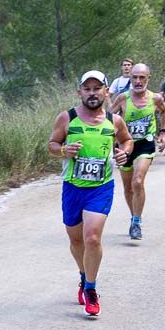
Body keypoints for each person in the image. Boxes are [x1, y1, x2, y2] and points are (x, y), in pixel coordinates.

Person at [48, 70, 132, 316]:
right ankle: (84, 276)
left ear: (106, 91)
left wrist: (124, 152)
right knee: (76, 240)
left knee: (92, 238)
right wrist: (63, 150)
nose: (92, 93)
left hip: (100, 187)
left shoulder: (114, 121)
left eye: (97, 88)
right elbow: (52, 145)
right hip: (73, 187)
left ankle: (92, 289)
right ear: (80, 92)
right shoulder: (67, 118)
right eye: (87, 88)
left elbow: (127, 141)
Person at [110, 63, 165, 240]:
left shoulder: (155, 98)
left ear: (148, 78)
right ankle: (133, 216)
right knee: (127, 187)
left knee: (138, 181)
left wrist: (163, 132)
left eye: (142, 77)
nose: (138, 81)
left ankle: (136, 222)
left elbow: (164, 111)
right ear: (130, 78)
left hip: (145, 144)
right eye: (134, 77)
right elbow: (107, 120)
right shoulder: (122, 98)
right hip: (125, 146)